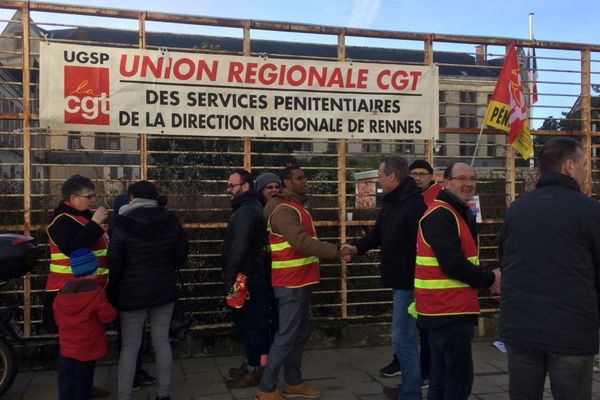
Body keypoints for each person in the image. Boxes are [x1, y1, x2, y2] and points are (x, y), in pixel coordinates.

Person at [499, 137, 600, 400]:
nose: (586, 170)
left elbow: (505, 261)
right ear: (569, 166)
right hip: (570, 332)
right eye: (584, 164)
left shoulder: (517, 210)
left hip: (520, 329)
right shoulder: (590, 211)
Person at [256, 164, 350, 400]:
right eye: (299, 178)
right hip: (291, 283)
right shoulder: (283, 211)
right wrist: (337, 251)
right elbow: (302, 242)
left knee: (298, 334)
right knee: (287, 335)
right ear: (286, 183)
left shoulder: (294, 207)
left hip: (301, 280)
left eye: (304, 177)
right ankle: (267, 389)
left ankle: (293, 382)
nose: (304, 181)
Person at [414, 162, 500, 400]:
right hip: (447, 311)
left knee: (441, 379)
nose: (468, 183)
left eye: (472, 178)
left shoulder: (453, 212)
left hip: (444, 310)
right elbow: (452, 265)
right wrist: (491, 278)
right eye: (461, 178)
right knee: (457, 381)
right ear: (446, 182)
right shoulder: (442, 214)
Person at [344, 156, 426, 400]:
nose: (378, 179)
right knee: (405, 337)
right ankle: (409, 387)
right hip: (398, 280)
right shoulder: (392, 201)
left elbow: (421, 246)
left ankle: (411, 392)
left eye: (381, 175)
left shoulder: (413, 205)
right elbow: (378, 233)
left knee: (402, 338)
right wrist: (356, 248)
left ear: (393, 176)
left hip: (409, 282)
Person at [107, 181, 188, 400]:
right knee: (161, 340)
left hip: (131, 293)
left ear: (131, 197)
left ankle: (124, 395)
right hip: (163, 289)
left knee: (130, 345)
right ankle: (164, 394)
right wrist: (166, 268)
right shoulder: (170, 220)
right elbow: (182, 252)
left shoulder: (121, 222)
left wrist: (113, 292)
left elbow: (114, 263)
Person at [45, 174, 110, 398]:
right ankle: (70, 393)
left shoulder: (81, 216)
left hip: (89, 293)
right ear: (73, 198)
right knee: (70, 351)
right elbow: (72, 247)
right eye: (88, 196)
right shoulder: (61, 220)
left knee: (87, 346)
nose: (92, 200)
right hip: (66, 293)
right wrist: (94, 224)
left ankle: (85, 388)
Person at [222, 169, 270, 388]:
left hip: (243, 278)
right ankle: (254, 364)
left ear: (246, 186)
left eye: (232, 186)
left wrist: (230, 280)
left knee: (250, 324)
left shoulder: (247, 211)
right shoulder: (248, 208)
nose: (228, 190)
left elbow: (239, 249)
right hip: (246, 275)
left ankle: (255, 369)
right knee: (250, 323)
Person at [53, 248, 118, 400]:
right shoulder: (96, 293)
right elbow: (107, 316)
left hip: (67, 349)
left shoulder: (62, 293)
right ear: (93, 270)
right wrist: (115, 312)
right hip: (87, 348)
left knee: (66, 381)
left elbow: (57, 318)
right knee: (84, 381)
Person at [109, 192, 158, 391]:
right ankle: (132, 378)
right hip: (131, 290)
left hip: (125, 290)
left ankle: (131, 377)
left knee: (130, 337)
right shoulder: (125, 228)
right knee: (132, 339)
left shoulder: (117, 227)